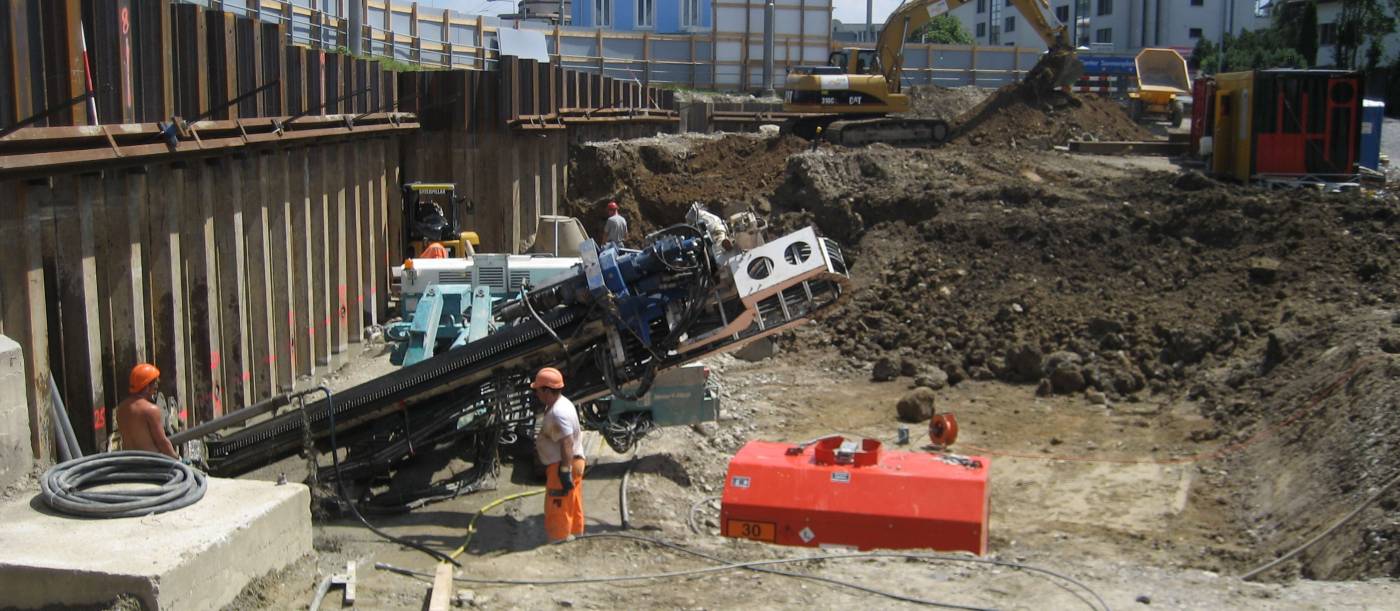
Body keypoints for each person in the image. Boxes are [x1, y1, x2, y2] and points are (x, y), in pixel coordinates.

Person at [531, 367, 585, 543]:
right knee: (572, 500)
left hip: (562, 464)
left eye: (538, 389)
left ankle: (558, 539)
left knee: (558, 503)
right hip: (574, 462)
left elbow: (567, 442)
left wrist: (563, 470)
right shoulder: (562, 403)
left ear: (547, 390)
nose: (536, 393)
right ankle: (576, 532)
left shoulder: (558, 412)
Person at [115, 363, 178, 458]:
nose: (156, 388)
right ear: (147, 386)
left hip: (129, 463)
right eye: (155, 384)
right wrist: (177, 459)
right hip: (150, 464)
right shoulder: (151, 410)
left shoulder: (121, 409)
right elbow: (162, 442)